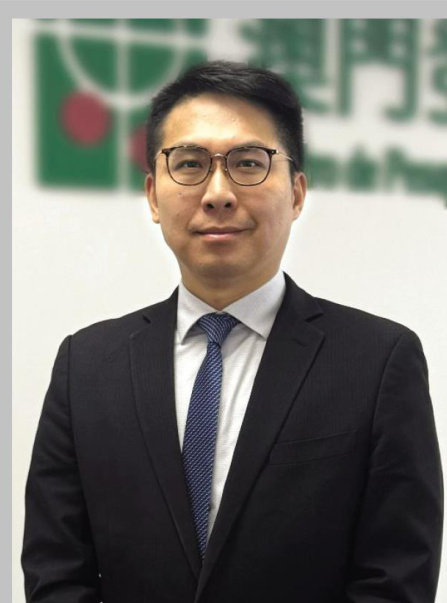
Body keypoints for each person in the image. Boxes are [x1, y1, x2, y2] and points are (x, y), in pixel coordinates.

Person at [22, 61, 443, 603]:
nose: (218, 193)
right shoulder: (86, 366)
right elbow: (56, 571)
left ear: (297, 193)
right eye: (189, 164)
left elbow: (395, 578)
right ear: (152, 195)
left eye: (248, 163)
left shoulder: (378, 361)